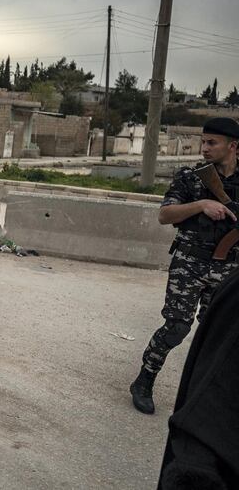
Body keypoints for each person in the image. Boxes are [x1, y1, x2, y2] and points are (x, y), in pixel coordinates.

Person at [130, 117, 239, 415]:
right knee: (176, 327)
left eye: (212, 143)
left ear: (233, 146)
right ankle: (144, 380)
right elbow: (165, 215)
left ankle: (205, 397)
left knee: (217, 335)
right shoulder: (191, 178)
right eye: (203, 141)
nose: (204, 148)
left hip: (228, 268)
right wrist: (202, 205)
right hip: (189, 263)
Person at [158, 267, 239, 489]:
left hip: (222, 266)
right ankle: (146, 376)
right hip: (191, 260)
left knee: (209, 335)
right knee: (177, 327)